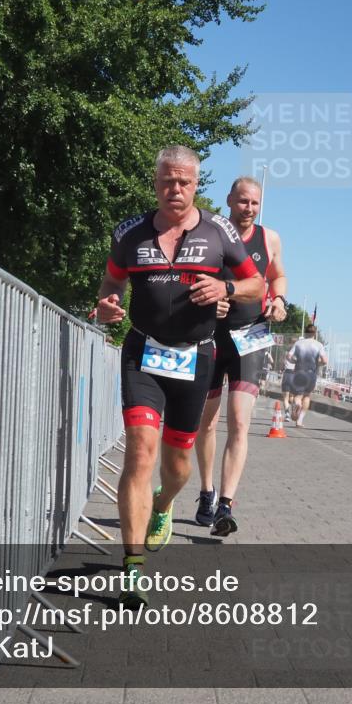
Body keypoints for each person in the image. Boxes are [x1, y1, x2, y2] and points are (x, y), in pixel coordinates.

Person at [95, 146, 264, 607]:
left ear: (196, 185)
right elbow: (111, 284)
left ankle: (165, 505)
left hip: (195, 360)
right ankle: (131, 566)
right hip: (143, 352)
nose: (176, 190)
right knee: (140, 452)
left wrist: (226, 286)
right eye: (168, 181)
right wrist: (109, 304)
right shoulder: (129, 234)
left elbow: (258, 284)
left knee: (175, 468)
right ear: (156, 183)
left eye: (185, 182)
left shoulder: (219, 231)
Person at [194, 177, 287, 536]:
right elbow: (191, 278)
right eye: (243, 201)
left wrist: (279, 300)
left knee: (240, 422)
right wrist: (204, 301)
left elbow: (278, 276)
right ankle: (206, 491)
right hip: (211, 337)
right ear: (230, 200)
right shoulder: (210, 233)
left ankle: (226, 505)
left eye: (255, 203)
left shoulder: (270, 238)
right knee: (207, 422)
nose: (248, 208)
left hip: (251, 338)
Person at [285, 325, 327, 428]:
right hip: (311, 374)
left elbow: (289, 356)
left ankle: (297, 404)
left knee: (297, 396)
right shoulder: (319, 345)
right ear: (315, 333)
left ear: (305, 332)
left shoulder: (298, 343)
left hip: (299, 372)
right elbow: (325, 361)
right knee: (307, 396)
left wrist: (294, 361)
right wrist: (318, 364)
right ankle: (299, 421)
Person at [281, 353, 297, 421]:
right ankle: (294, 411)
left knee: (286, 397)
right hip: (295, 376)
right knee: (292, 396)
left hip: (287, 375)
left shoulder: (286, 354)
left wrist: (281, 369)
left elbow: (282, 366)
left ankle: (287, 414)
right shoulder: (298, 355)